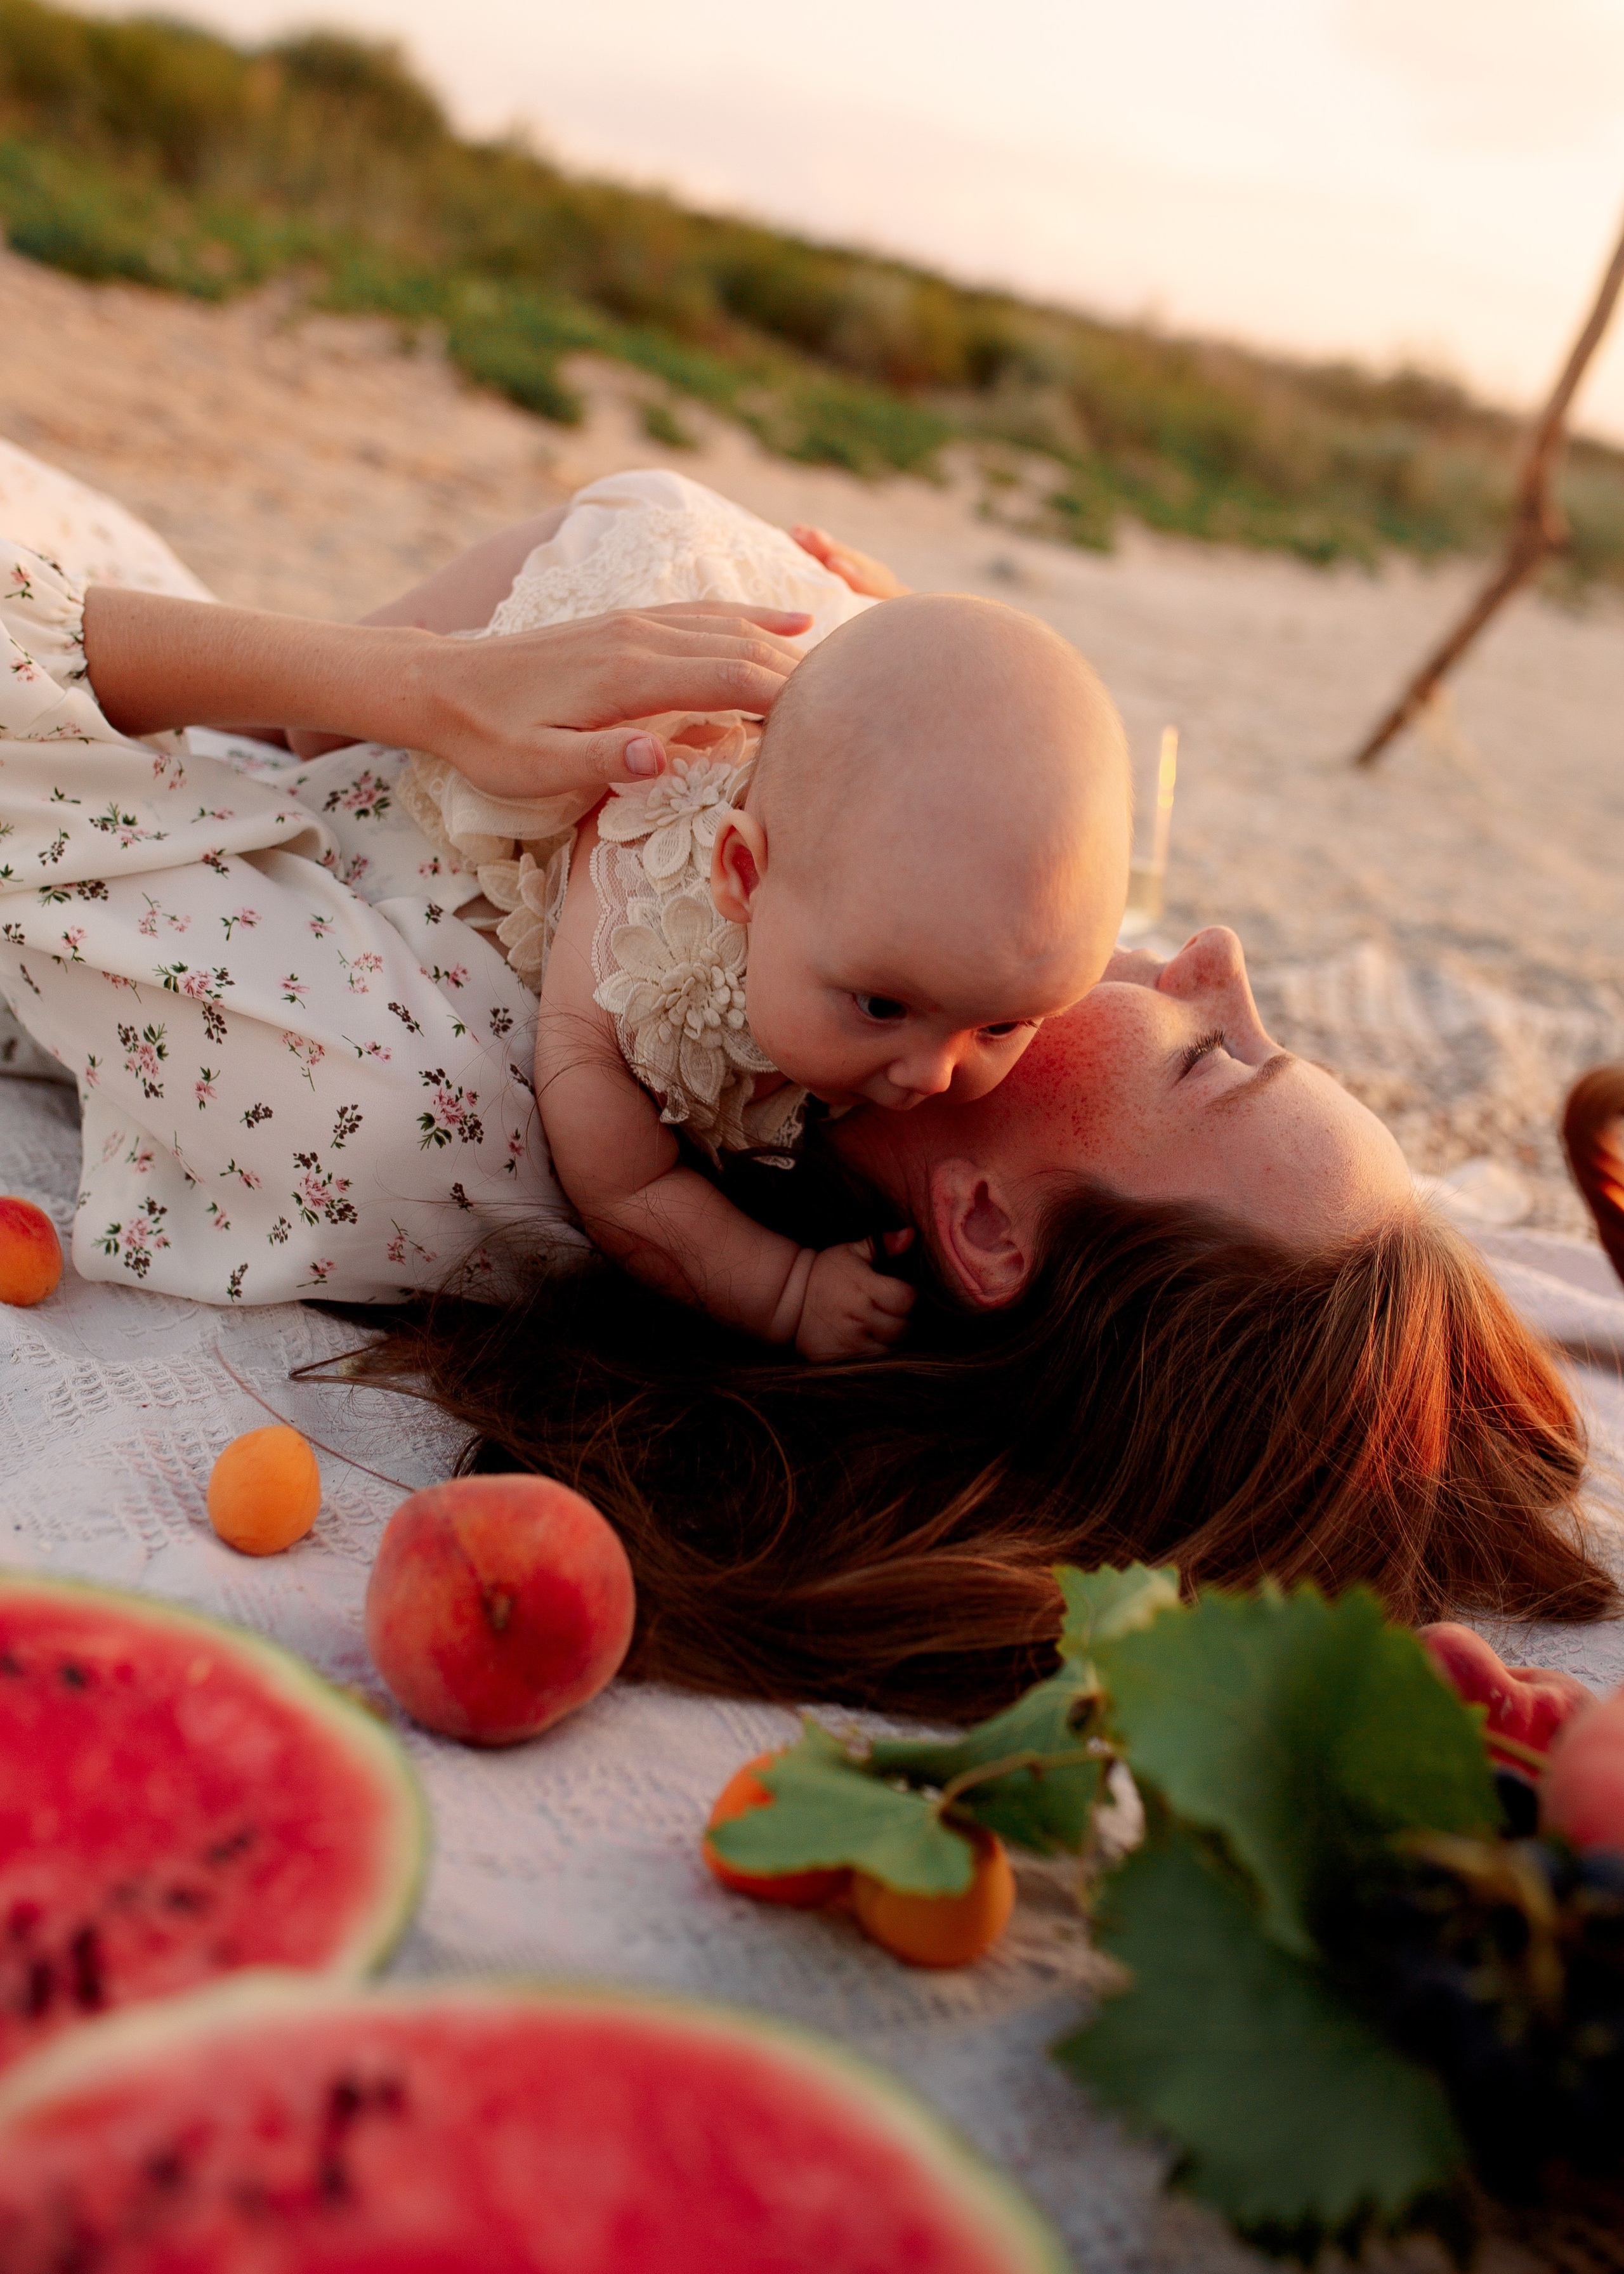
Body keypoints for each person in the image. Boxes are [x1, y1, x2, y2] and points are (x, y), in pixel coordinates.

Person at [0, 443, 1611, 1718]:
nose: (1208, 958)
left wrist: (409, 681)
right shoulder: (886, 968)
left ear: (984, 1227)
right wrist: (911, 732)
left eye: (1214, 1062)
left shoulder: (421, 1096)